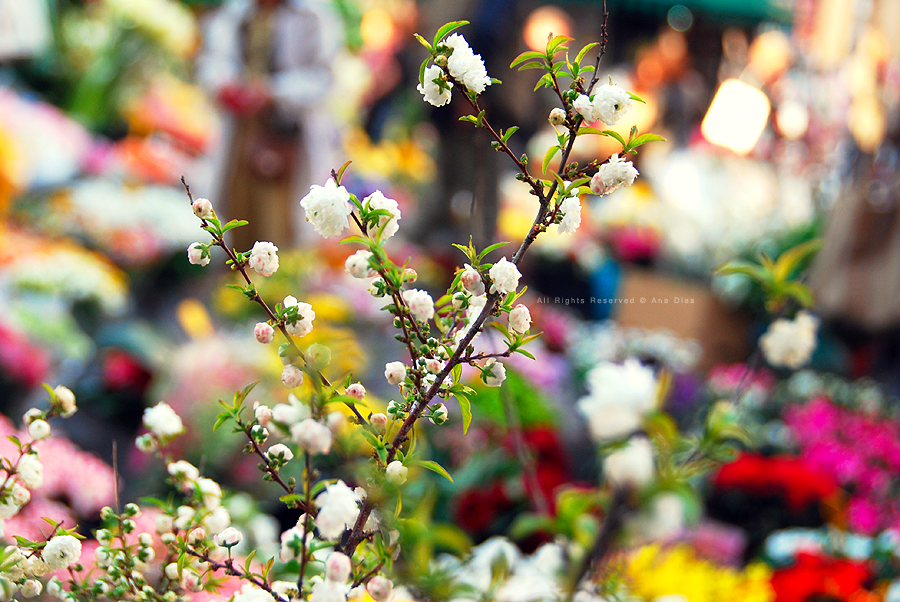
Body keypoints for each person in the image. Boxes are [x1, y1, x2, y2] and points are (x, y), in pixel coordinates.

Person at [195, 0, 342, 250]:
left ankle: (276, 286)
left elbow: (324, 78)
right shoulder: (238, 11)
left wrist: (273, 92)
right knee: (235, 218)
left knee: (280, 227)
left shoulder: (313, 15)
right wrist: (225, 85)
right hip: (241, 134)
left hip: (288, 138)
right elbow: (213, 60)